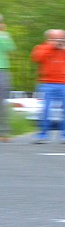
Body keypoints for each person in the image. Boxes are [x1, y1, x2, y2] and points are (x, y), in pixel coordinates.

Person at [30, 29, 65, 143]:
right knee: (45, 110)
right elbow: (36, 58)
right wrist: (51, 46)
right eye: (55, 39)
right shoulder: (42, 47)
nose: (58, 41)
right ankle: (42, 135)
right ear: (48, 39)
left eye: (61, 39)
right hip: (46, 83)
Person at [0, 14, 16, 142]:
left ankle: (4, 132)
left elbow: (10, 48)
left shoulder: (4, 36)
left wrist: (3, 34)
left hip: (2, 70)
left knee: (2, 102)